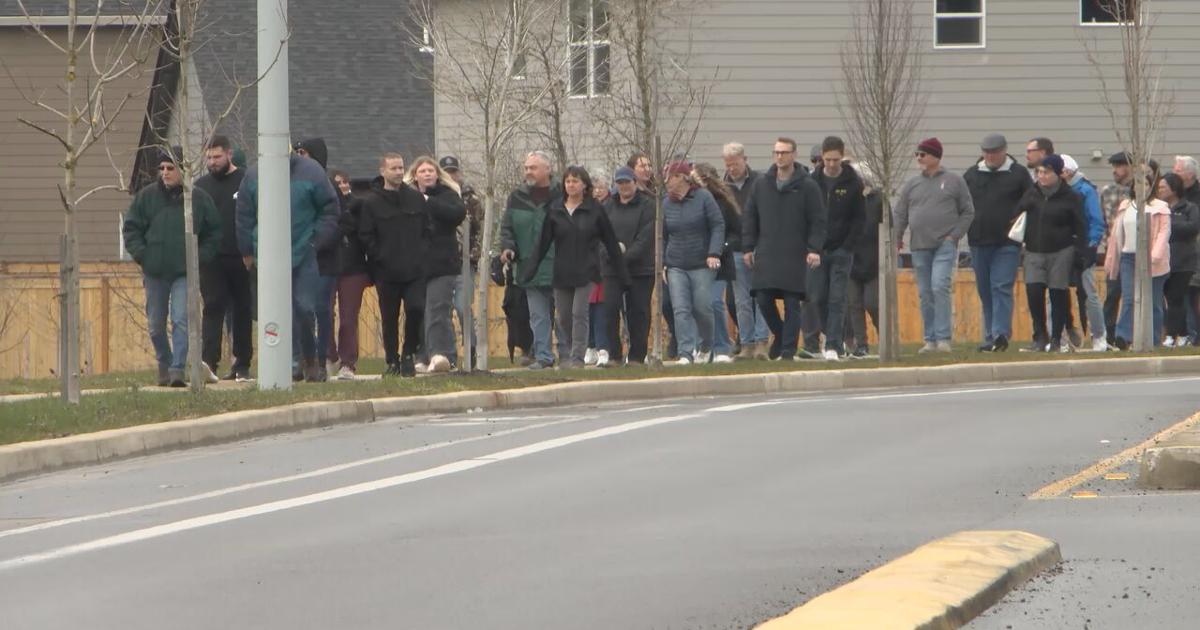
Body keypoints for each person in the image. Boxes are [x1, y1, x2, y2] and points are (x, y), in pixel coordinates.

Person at [237, 142, 339, 382]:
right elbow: (244, 214)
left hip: (305, 250)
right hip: (268, 254)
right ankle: (292, 362)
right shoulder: (253, 174)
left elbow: (330, 209)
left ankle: (311, 358)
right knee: (278, 311)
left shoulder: (311, 171)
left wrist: (317, 240)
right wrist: (247, 249)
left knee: (304, 308)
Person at [124, 146, 222, 387]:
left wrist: (199, 257)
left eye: (171, 168)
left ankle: (178, 369)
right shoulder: (146, 197)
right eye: (162, 168)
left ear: (182, 170)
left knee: (181, 319)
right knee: (155, 324)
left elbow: (214, 233)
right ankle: (165, 364)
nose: (165, 173)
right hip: (154, 271)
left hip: (184, 271)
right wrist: (143, 255)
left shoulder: (197, 199)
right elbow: (131, 229)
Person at [522, 165, 627, 368]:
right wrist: (530, 269)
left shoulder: (595, 209)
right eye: (568, 181)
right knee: (564, 316)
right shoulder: (555, 209)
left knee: (580, 312)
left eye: (575, 181)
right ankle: (571, 351)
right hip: (562, 271)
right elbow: (542, 243)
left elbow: (611, 242)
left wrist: (622, 272)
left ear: (584, 185)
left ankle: (577, 357)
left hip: (587, 270)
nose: (571, 185)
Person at [742, 138, 827, 361]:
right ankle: (780, 335)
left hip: (795, 251)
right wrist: (748, 247)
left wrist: (814, 248)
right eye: (776, 152)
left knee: (792, 301)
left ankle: (788, 350)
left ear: (794, 155)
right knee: (762, 297)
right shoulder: (762, 184)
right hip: (768, 250)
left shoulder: (807, 186)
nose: (779, 157)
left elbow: (818, 220)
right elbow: (750, 216)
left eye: (784, 152)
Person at [893, 138, 975, 353]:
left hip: (944, 245)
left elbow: (967, 211)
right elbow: (900, 213)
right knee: (925, 292)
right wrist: (897, 238)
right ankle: (929, 339)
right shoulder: (912, 184)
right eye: (917, 154)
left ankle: (943, 338)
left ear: (935, 156)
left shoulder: (954, 181)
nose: (919, 158)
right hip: (919, 245)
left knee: (940, 286)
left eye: (923, 154)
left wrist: (954, 236)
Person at [355, 153, 427, 377]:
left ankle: (408, 353)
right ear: (383, 171)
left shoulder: (415, 199)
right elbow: (366, 235)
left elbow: (427, 230)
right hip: (386, 270)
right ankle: (392, 360)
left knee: (416, 309)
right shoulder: (371, 202)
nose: (398, 172)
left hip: (415, 269)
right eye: (393, 168)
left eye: (400, 168)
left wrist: (422, 254)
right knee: (389, 317)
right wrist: (379, 256)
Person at [963, 133, 1032, 353]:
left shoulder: (1019, 174)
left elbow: (1029, 202)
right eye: (986, 152)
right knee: (985, 289)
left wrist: (1018, 220)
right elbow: (963, 205)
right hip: (978, 241)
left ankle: (1000, 334)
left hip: (1007, 242)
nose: (990, 156)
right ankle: (990, 335)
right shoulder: (972, 175)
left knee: (1001, 286)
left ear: (1004, 151)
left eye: (994, 152)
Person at [1014, 155, 1088, 353]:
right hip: (1033, 250)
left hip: (1061, 250)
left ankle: (1056, 338)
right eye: (1039, 172)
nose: (1042, 176)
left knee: (1058, 293)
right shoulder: (1032, 194)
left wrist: (1080, 251)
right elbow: (1017, 214)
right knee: (1034, 292)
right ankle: (1039, 336)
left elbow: (1080, 225)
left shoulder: (1071, 196)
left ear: (1058, 173)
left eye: (1046, 172)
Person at [195, 134, 252, 381]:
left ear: (229, 154)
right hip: (211, 258)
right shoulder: (201, 186)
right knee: (213, 307)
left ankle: (242, 363)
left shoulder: (246, 180)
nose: (212, 162)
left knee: (242, 311)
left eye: (217, 157)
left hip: (241, 257)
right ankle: (209, 362)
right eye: (209, 157)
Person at [501, 151, 563, 370]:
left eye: (533, 168)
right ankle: (544, 356)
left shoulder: (562, 194)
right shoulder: (516, 196)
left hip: (560, 264)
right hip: (529, 266)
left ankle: (566, 355)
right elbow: (507, 228)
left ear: (548, 169)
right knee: (537, 315)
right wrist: (508, 247)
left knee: (563, 314)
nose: (528, 172)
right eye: (526, 167)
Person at [805, 136, 864, 360]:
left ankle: (833, 345)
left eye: (835, 160)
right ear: (822, 157)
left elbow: (859, 219)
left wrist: (848, 246)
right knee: (817, 297)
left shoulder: (853, 182)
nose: (831, 164)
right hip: (817, 250)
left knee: (837, 298)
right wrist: (811, 246)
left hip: (842, 250)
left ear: (842, 156)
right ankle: (830, 335)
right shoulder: (812, 181)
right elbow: (806, 216)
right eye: (827, 159)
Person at [661, 160, 724, 365]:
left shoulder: (703, 197)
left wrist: (714, 252)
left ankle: (706, 345)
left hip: (702, 263)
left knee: (702, 307)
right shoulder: (665, 203)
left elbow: (717, 225)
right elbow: (662, 235)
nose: (667, 182)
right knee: (680, 309)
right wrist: (663, 262)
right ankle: (686, 352)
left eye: (670, 177)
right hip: (676, 264)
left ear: (682, 178)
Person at [408, 156, 466, 373]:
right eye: (422, 171)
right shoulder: (408, 197)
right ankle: (422, 355)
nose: (427, 174)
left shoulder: (448, 195)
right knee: (419, 312)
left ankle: (442, 355)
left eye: (431, 170)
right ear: (415, 175)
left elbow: (456, 214)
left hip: (443, 264)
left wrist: (427, 201)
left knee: (437, 310)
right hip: (416, 265)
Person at [1106, 168, 1171, 350]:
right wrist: (1112, 258)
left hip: (1152, 260)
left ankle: (1154, 339)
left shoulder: (1160, 207)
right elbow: (1116, 235)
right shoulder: (1126, 205)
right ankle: (1123, 337)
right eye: (1138, 184)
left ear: (1152, 187)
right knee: (1129, 298)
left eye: (1146, 184)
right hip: (1128, 257)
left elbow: (1163, 233)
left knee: (1153, 302)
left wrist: (1155, 257)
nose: (1142, 188)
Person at [602, 166, 656, 365]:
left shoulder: (648, 205)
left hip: (640, 268)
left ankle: (636, 355)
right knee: (609, 310)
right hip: (611, 269)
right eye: (620, 183)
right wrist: (611, 255)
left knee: (638, 312)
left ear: (635, 182)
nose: (624, 186)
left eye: (627, 182)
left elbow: (646, 238)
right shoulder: (608, 206)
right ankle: (614, 355)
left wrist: (625, 257)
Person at [722, 142, 770, 359]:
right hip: (736, 249)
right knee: (741, 301)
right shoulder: (723, 187)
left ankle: (762, 341)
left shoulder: (760, 182)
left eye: (735, 163)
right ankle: (747, 343)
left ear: (745, 159)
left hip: (760, 247)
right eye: (728, 164)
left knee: (760, 297)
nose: (732, 168)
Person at [692, 162, 740, 363]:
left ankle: (721, 346)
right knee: (698, 304)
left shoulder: (723, 203)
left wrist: (721, 248)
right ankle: (703, 347)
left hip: (720, 263)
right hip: (697, 262)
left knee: (713, 302)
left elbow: (735, 232)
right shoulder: (692, 202)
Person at [438, 156, 483, 369]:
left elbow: (480, 230)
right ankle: (449, 355)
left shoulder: (471, 198)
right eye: (447, 171)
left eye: (454, 171)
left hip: (465, 261)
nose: (451, 175)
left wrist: (474, 255)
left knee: (462, 305)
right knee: (444, 309)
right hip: (444, 262)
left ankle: (471, 348)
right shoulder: (438, 196)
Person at [1061, 155, 1109, 351]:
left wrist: (1090, 246)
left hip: (1081, 248)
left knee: (1089, 293)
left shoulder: (1085, 190)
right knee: (1056, 293)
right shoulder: (1057, 191)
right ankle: (1060, 337)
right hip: (1060, 248)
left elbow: (1096, 221)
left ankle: (1099, 335)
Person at [327, 169, 370, 380]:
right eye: (337, 183)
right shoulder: (325, 207)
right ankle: (329, 356)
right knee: (324, 312)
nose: (342, 186)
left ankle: (348, 362)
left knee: (348, 317)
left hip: (353, 268)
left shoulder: (360, 206)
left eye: (345, 182)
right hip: (328, 266)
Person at [845, 161, 881, 358]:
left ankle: (884, 335)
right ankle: (861, 344)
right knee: (854, 304)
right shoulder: (849, 200)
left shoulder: (877, 200)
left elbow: (887, 228)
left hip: (873, 261)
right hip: (852, 259)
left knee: (872, 303)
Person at [1158, 173, 1199, 347]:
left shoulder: (1189, 208)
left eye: (1163, 187)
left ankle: (1173, 335)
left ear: (1174, 189)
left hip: (1184, 260)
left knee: (1176, 297)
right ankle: (1181, 334)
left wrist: (1169, 224)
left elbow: (1192, 227)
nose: (1160, 190)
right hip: (1164, 259)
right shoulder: (1160, 208)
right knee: (1170, 298)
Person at [1100, 152, 1135, 344]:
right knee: (1113, 293)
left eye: (1120, 166)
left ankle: (1130, 334)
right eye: (1114, 166)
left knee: (1134, 295)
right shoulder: (1107, 191)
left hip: (1136, 249)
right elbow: (1104, 221)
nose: (1116, 170)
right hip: (1114, 250)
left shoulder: (1140, 190)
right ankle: (1109, 335)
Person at [585, 167, 613, 365]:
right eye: (593, 187)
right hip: (586, 265)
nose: (597, 191)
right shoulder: (585, 208)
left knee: (602, 310)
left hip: (606, 266)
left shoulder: (612, 207)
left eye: (601, 187)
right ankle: (590, 346)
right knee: (587, 309)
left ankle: (604, 347)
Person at [1173, 156, 1200, 343]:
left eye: (1178, 170)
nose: (1174, 173)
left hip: (1195, 250)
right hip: (1180, 252)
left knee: (1192, 290)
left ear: (1190, 174)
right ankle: (1189, 334)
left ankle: (1192, 333)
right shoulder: (1175, 197)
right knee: (1185, 290)